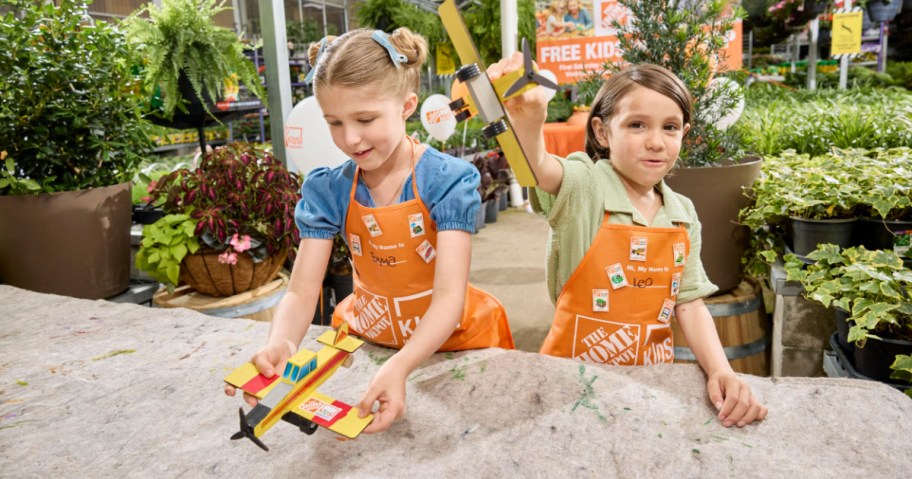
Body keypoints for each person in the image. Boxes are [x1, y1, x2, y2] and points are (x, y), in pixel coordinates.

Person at [225, 28, 514, 433]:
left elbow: (449, 299)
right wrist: (283, 343)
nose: (350, 138)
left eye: (365, 119)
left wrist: (402, 366)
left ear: (406, 106)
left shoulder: (445, 182)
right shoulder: (330, 189)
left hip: (452, 343)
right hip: (372, 336)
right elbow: (303, 289)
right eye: (334, 122)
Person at [489, 56, 768, 428]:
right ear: (603, 133)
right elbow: (539, 167)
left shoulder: (683, 213)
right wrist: (529, 121)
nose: (655, 142)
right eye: (637, 125)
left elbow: (689, 304)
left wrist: (721, 371)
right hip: (566, 385)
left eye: (670, 127)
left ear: (684, 134)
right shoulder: (586, 186)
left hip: (649, 386)